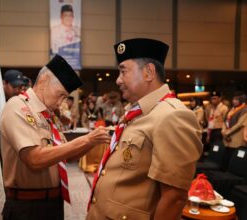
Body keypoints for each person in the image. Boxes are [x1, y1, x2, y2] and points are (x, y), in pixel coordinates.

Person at [86, 38, 203, 220]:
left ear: (148, 72)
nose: (117, 80)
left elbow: (174, 198)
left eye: (123, 71)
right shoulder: (138, 112)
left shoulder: (172, 116)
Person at [0, 54, 111, 220]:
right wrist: (86, 140)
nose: (61, 103)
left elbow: (68, 155)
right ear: (44, 81)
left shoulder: (49, 115)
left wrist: (93, 140)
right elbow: (34, 158)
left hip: (52, 203)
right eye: (60, 95)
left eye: (65, 97)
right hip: (27, 207)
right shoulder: (18, 106)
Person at [221, 92, 247, 164]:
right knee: (225, 158)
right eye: (233, 99)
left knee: (233, 159)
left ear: (242, 100)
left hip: (236, 138)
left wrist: (227, 132)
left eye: (237, 99)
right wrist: (223, 131)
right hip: (226, 138)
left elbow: (239, 124)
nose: (234, 101)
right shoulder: (231, 109)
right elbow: (224, 121)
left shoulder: (245, 110)